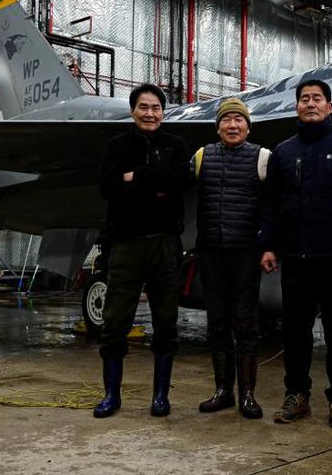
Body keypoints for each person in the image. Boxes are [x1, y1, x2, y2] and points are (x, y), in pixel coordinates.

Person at [259, 79, 332, 429]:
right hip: (295, 258)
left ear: (330, 106)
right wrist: (267, 245)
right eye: (304, 99)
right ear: (296, 107)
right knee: (295, 331)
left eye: (317, 99)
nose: (310, 103)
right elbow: (271, 204)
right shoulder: (283, 152)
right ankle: (297, 395)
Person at [94, 83, 191, 419]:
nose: (150, 114)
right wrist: (156, 184)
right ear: (133, 110)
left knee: (166, 322)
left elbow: (181, 179)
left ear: (163, 113)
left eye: (156, 108)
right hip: (126, 245)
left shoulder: (176, 145)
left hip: (165, 244)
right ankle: (111, 396)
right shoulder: (117, 146)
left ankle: (161, 397)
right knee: (115, 320)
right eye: (143, 107)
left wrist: (137, 178)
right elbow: (109, 187)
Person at [192, 98, 271, 419]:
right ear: (218, 126)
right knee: (217, 323)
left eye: (239, 120)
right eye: (227, 120)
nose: (233, 125)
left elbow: (272, 207)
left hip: (245, 254)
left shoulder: (263, 158)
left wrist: (269, 244)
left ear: (248, 127)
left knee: (246, 323)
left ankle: (248, 395)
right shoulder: (201, 157)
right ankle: (223, 391)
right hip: (211, 252)